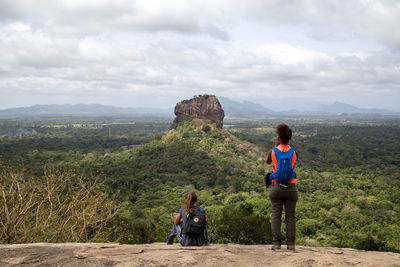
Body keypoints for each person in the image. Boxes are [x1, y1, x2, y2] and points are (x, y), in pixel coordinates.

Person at [266, 124, 298, 250]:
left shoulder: (273, 151)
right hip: (291, 187)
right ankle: (290, 244)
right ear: (289, 138)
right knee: (290, 216)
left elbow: (268, 162)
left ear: (278, 136)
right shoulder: (294, 152)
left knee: (276, 216)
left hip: (276, 187)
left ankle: (276, 244)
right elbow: (293, 163)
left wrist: (276, 146)